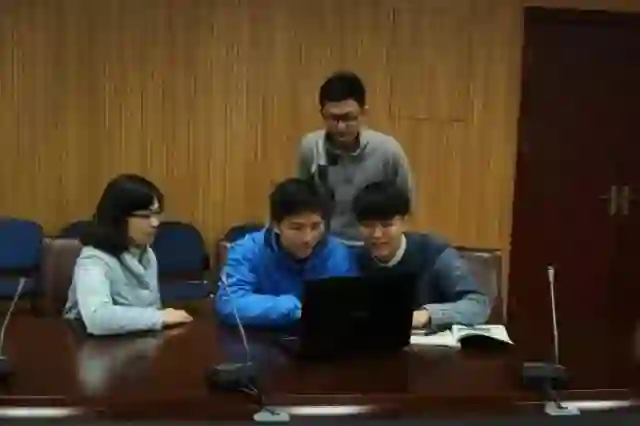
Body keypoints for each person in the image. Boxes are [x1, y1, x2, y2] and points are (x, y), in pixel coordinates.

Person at [215, 178, 358, 328]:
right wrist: (295, 307)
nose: (307, 238)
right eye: (297, 228)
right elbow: (229, 304)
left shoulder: (337, 253)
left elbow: (348, 307)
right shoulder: (247, 250)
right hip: (261, 336)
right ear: (276, 226)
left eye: (315, 226)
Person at [63, 174, 193, 336]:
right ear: (119, 218)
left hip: (133, 341)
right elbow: (97, 318)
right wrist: (159, 317)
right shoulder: (93, 259)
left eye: (157, 214)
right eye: (145, 216)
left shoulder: (147, 253)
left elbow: (149, 309)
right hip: (89, 344)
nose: (155, 223)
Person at [352, 181, 491, 331]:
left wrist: (428, 315)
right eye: (367, 226)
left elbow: (478, 304)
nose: (377, 234)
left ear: (404, 223)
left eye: (387, 225)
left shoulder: (434, 253)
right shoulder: (353, 259)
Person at [297, 71, 412, 245]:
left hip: (373, 244)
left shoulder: (388, 151)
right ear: (322, 114)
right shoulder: (310, 147)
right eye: (333, 118)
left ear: (364, 113)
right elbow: (301, 200)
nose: (341, 127)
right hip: (325, 244)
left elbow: (405, 204)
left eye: (348, 118)